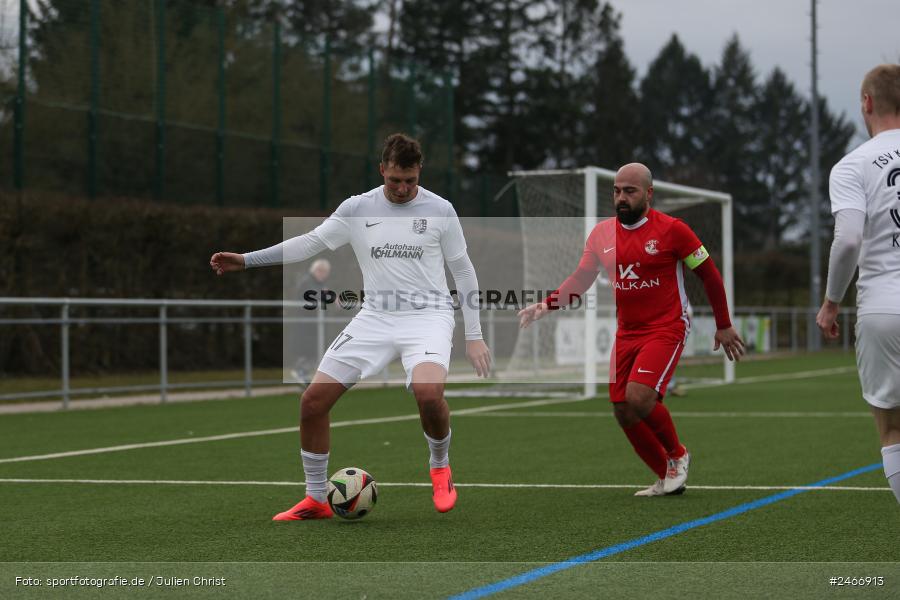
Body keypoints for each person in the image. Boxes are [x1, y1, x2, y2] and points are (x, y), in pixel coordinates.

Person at [210, 133, 492, 519]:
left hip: (428, 317)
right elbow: (310, 243)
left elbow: (463, 270)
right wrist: (247, 259)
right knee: (312, 401)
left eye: (410, 180)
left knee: (428, 393)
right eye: (395, 180)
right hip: (374, 318)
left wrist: (474, 336)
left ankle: (440, 465)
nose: (403, 188)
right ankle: (315, 499)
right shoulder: (358, 208)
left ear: (419, 172)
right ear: (382, 171)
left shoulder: (441, 209)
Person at [518, 163, 744, 496]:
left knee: (639, 397)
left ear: (648, 194)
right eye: (616, 191)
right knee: (622, 410)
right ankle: (666, 478)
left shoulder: (674, 230)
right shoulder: (601, 235)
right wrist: (545, 305)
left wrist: (723, 324)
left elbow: (709, 274)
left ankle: (678, 455)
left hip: (667, 326)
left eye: (630, 191)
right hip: (628, 331)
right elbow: (581, 279)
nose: (621, 198)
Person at [816, 64, 900, 504]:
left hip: (884, 309)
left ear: (866, 102)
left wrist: (831, 303)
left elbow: (848, 240)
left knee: (892, 430)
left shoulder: (853, 165)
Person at [290, 258, 332, 385]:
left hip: (314, 324)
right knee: (307, 349)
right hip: (305, 324)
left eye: (325, 272)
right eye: (321, 271)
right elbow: (313, 296)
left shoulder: (318, 284)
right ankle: (300, 372)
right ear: (316, 270)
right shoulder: (307, 281)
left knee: (316, 350)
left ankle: (306, 376)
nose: (324, 275)